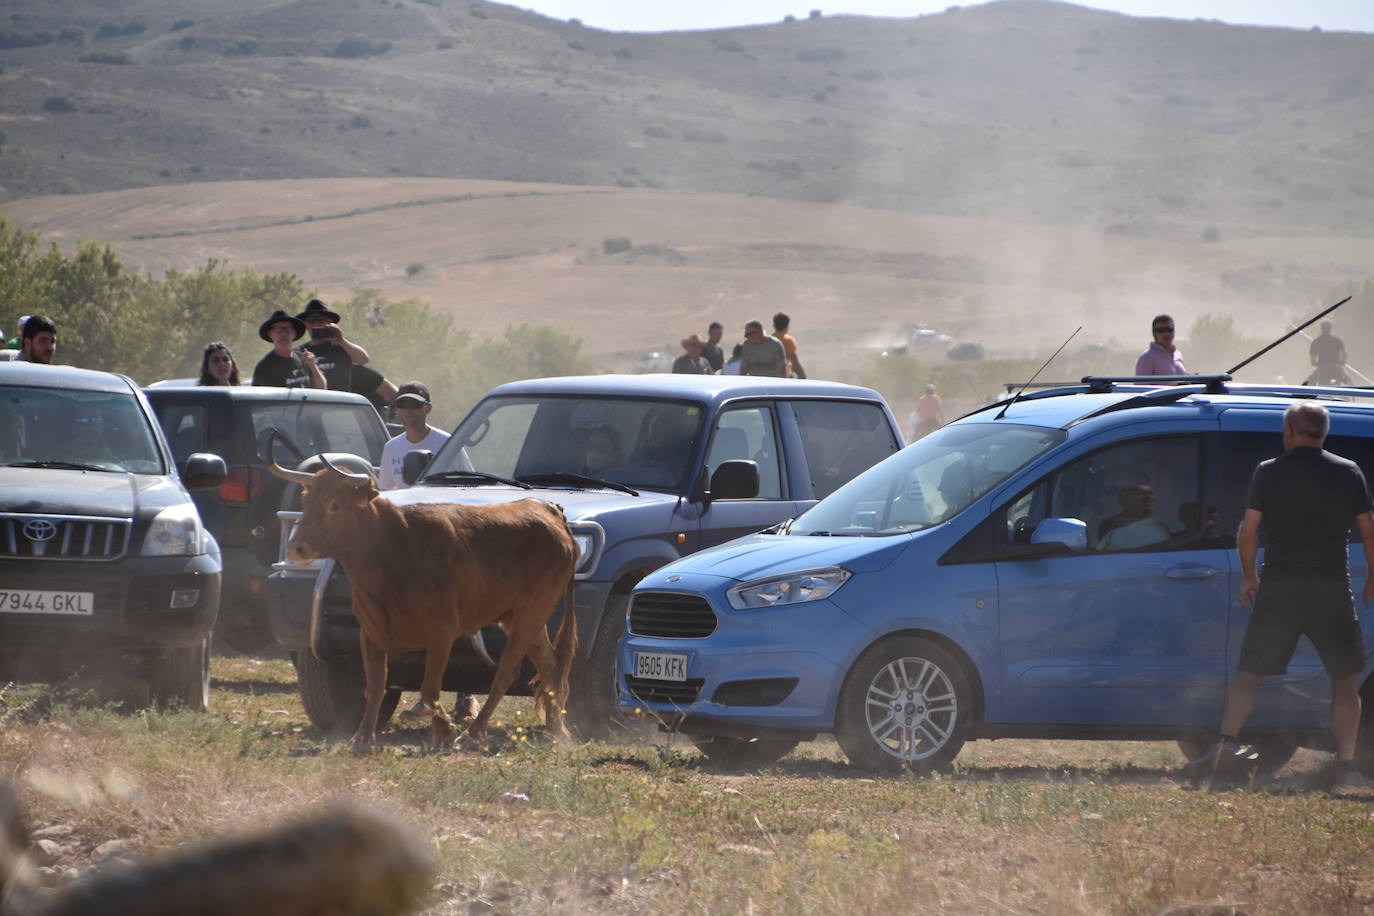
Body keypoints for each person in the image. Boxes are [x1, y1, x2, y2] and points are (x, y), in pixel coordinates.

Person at [1187, 403, 1374, 794]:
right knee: (1344, 680)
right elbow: (1369, 531)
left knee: (1248, 675)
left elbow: (1249, 531)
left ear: (1290, 430)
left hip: (1281, 590)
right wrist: (1372, 577)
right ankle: (1347, 766)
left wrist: (1250, 576)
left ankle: (1225, 744)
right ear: (1324, 432)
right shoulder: (1348, 472)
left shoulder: (1269, 472)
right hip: (1331, 590)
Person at [379, 382, 452, 490]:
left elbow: (467, 485)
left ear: (428, 408)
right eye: (402, 404)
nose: (408, 410)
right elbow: (385, 491)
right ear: (396, 409)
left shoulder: (447, 444)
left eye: (415, 404)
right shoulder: (391, 448)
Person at [297, 299, 370, 391]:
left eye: (321, 319)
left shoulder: (342, 345)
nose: (316, 323)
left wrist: (341, 340)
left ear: (329, 322)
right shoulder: (301, 351)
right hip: (314, 401)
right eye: (311, 320)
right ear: (305, 324)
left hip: (340, 401)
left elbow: (363, 360)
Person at [1096, 471, 1171, 551]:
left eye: (1112, 491)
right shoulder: (1105, 526)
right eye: (1104, 491)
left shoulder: (1155, 536)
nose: (1103, 497)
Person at [251, 310, 324, 389]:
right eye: (278, 330)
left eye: (287, 329)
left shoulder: (304, 359)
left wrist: (313, 366)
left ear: (294, 333)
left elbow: (322, 389)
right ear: (270, 334)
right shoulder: (264, 367)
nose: (283, 334)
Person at [1309, 320, 1349, 386]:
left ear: (1321, 328)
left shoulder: (1316, 342)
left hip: (1322, 369)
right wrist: (1341, 363)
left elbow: (1312, 361)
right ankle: (1353, 395)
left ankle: (1306, 394)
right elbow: (1344, 355)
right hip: (1337, 368)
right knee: (1349, 382)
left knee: (1309, 382)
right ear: (1330, 328)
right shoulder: (1337, 340)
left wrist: (1318, 364)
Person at [772, 312, 805, 379]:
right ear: (787, 325)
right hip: (786, 376)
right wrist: (803, 377)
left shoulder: (769, 340)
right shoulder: (788, 340)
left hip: (771, 376)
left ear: (774, 325)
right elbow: (795, 363)